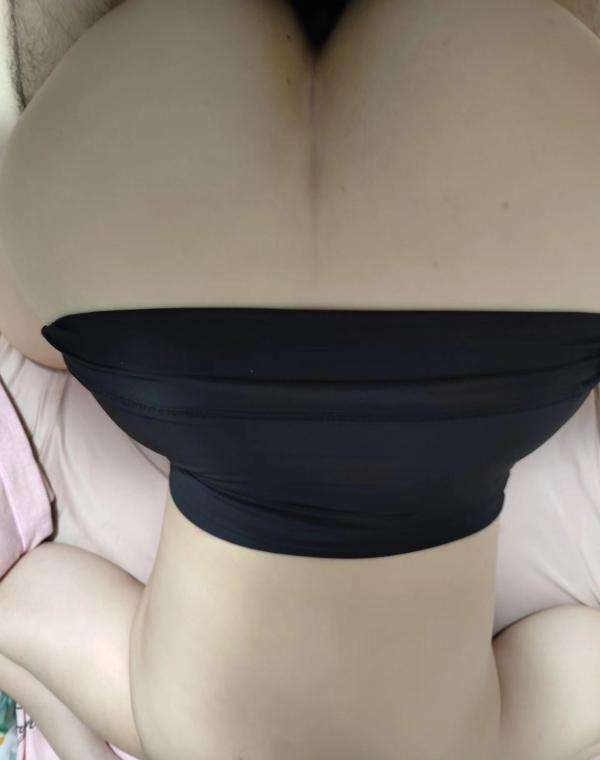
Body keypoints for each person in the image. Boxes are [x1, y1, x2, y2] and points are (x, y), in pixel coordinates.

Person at [1, 1, 600, 759]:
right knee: (43, 332)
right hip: (163, 294)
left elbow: (583, 651)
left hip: (499, 300)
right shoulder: (177, 730)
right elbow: (21, 602)